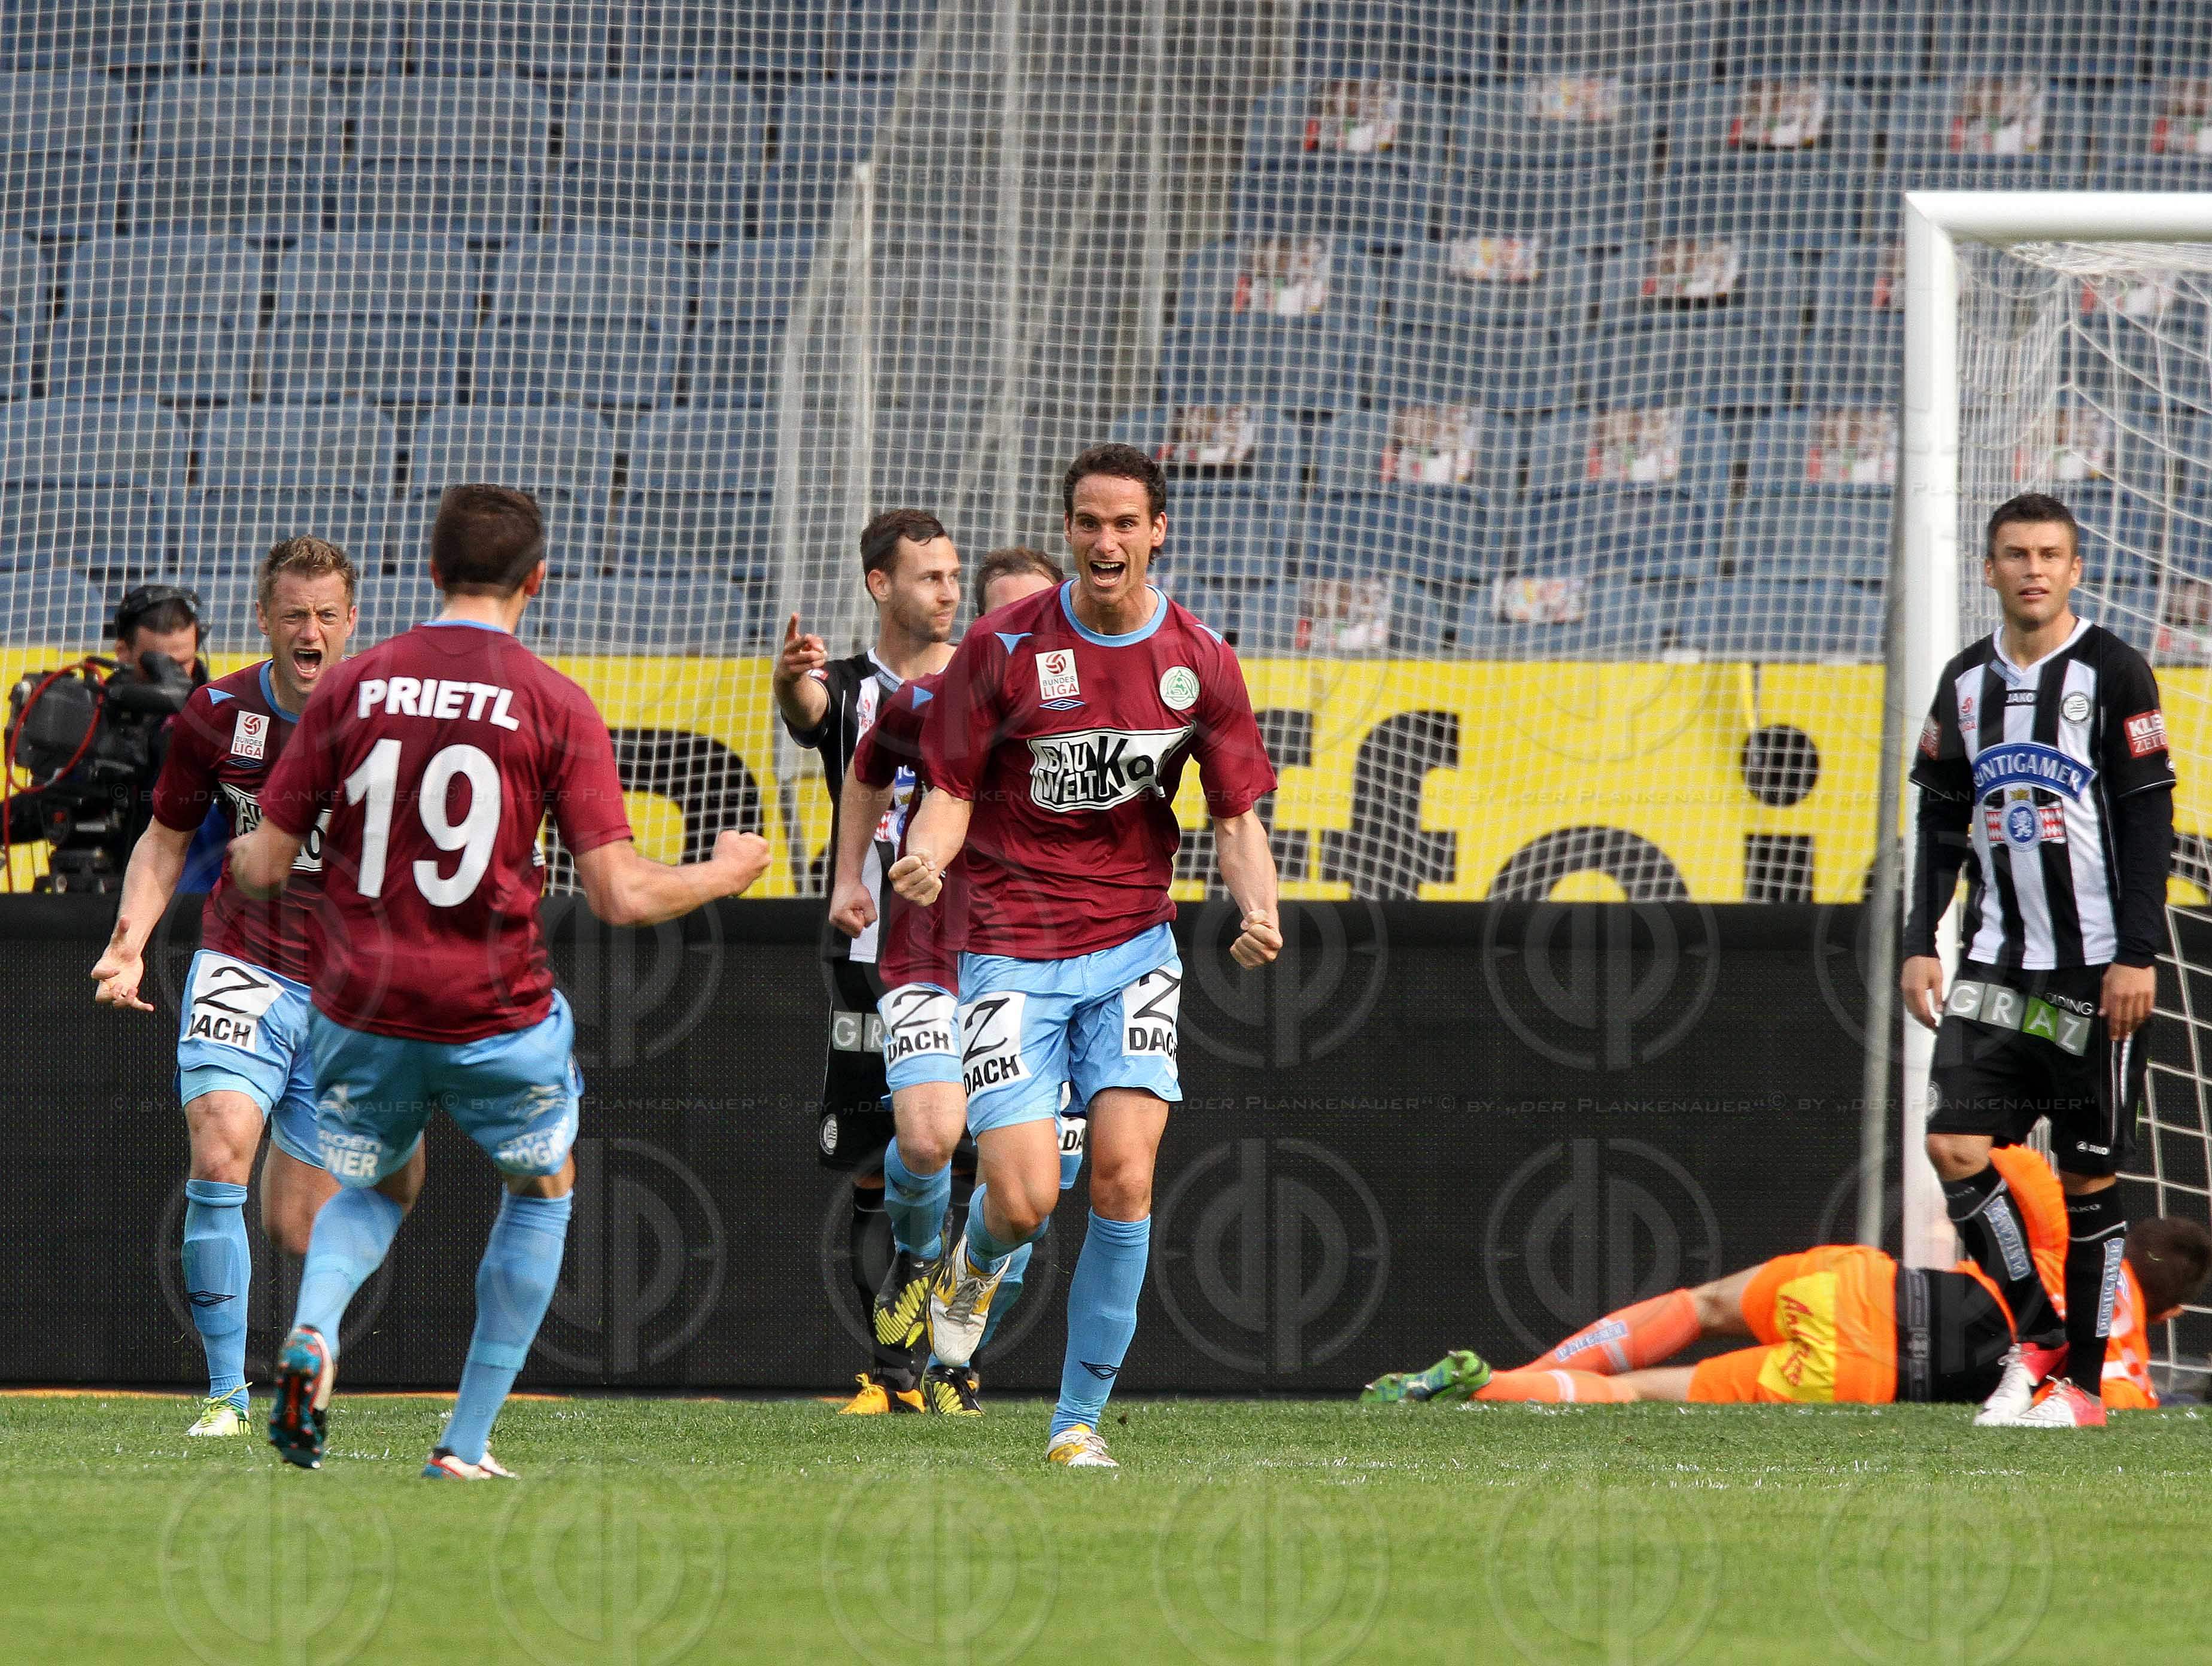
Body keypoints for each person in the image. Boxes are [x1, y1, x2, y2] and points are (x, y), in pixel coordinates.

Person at [231, 484, 770, 1477]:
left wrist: (272, 844)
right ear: (538, 580)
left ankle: (313, 1330)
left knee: (383, 1180)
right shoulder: (554, 700)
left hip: (363, 1004)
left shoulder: (354, 686)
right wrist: (723, 871)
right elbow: (617, 893)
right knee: (543, 1184)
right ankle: (464, 1444)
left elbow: (262, 866)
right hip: (495, 1008)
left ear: (431, 571)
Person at [892, 443, 1284, 1467]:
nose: (1106, 541)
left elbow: (1235, 816)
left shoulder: (1203, 661)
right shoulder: (1001, 646)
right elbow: (950, 791)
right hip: (1009, 948)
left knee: (1122, 1177)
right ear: (1068, 530)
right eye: (1088, 522)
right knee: (1024, 1199)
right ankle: (976, 1261)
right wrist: (927, 859)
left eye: (1125, 523)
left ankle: (1076, 1423)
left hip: (1134, 947)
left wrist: (1259, 907)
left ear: (1158, 531)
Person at [85, 540, 405, 1437]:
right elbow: (165, 839)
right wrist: (128, 945)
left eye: (327, 614)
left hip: (351, 989)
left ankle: (306, 1357)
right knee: (221, 1150)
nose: (311, 630)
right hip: (244, 960)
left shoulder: (391, 718)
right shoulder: (218, 714)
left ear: (352, 621)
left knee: (302, 1224)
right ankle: (225, 1397)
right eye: (294, 614)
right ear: (264, 620)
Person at [1901, 491, 2176, 1428]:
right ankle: (2040, 1333)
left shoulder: (2116, 671)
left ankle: (2085, 1391)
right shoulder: (1963, 683)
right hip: (1996, 964)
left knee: (2088, 1179)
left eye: (2050, 554)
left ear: (2075, 569)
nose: (2033, 569)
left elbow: (2149, 820)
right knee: (1953, 1145)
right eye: (2016, 554)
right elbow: (1940, 820)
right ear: (1990, 569)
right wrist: (1920, 941)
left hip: (2097, 970)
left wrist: (2137, 953)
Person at [1361, 1147, 2211, 1409]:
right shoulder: (2129, 1366)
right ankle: (1488, 1389)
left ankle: (1517, 1374)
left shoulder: (2066, 1236)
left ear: (2119, 1239)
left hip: (1862, 1287)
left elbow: (1991, 1152)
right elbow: (2105, 1409)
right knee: (1635, 1397)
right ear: (2169, 1315)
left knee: (1698, 1305)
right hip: (1869, 1375)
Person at [830, 546, 1066, 1415]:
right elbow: (865, 771)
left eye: (1039, 617)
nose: (1022, 635)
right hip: (933, 948)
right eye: (1003, 618)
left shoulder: (1097, 713)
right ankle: (917, 1257)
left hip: (1050, 962)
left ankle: (954, 1362)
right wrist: (848, 877)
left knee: (1026, 1193)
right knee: (929, 1140)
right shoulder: (926, 702)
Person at [773, 507, 964, 1415]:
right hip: (871, 954)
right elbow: (808, 713)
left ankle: (955, 1366)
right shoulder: (849, 687)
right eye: (930, 576)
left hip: (975, 953)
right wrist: (789, 682)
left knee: (971, 1162)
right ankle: (894, 1378)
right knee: (875, 1164)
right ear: (880, 585)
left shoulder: (981, 681)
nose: (949, 592)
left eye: (954, 575)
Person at [3, 583, 208, 886]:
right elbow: (55, 800)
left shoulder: (221, 719)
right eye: (158, 666)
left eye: (183, 664)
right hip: (99, 883)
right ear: (123, 652)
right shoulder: (94, 712)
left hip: (187, 894)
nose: (175, 680)